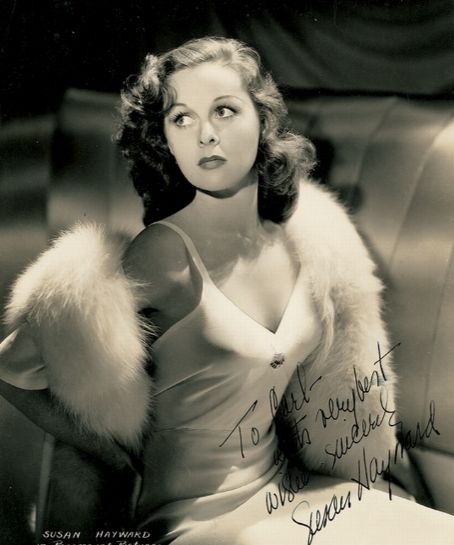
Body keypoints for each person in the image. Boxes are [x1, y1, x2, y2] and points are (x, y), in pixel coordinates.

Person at [0, 36, 453, 544]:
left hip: (286, 493)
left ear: (262, 120)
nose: (206, 135)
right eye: (182, 118)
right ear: (164, 140)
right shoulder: (163, 254)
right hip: (198, 519)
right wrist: (115, 454)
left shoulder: (298, 243)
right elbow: (11, 370)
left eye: (224, 110)